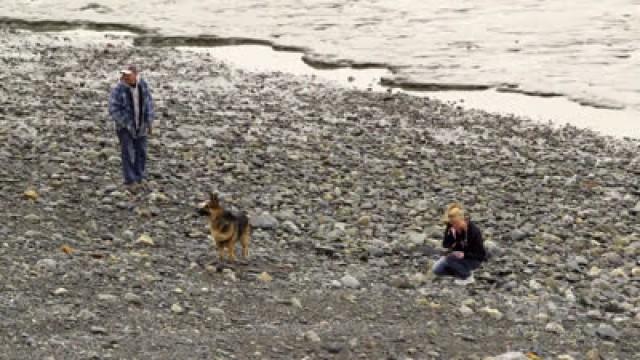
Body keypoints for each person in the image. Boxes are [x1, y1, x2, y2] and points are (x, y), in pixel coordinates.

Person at [108, 64, 155, 191]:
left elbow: (149, 103)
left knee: (142, 151)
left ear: (135, 75)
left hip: (141, 125)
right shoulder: (118, 89)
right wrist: (124, 123)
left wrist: (149, 121)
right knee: (127, 152)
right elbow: (112, 108)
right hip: (125, 127)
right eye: (123, 75)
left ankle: (139, 177)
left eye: (128, 75)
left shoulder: (143, 85)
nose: (124, 77)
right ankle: (130, 180)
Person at [432, 203, 486, 284]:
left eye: (456, 224)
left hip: (472, 259)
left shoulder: (473, 231)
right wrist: (451, 235)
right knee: (437, 270)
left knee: (449, 258)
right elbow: (445, 244)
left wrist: (464, 254)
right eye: (452, 224)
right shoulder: (451, 227)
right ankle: (459, 272)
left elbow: (481, 255)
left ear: (463, 220)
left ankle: (467, 276)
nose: (454, 226)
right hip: (455, 257)